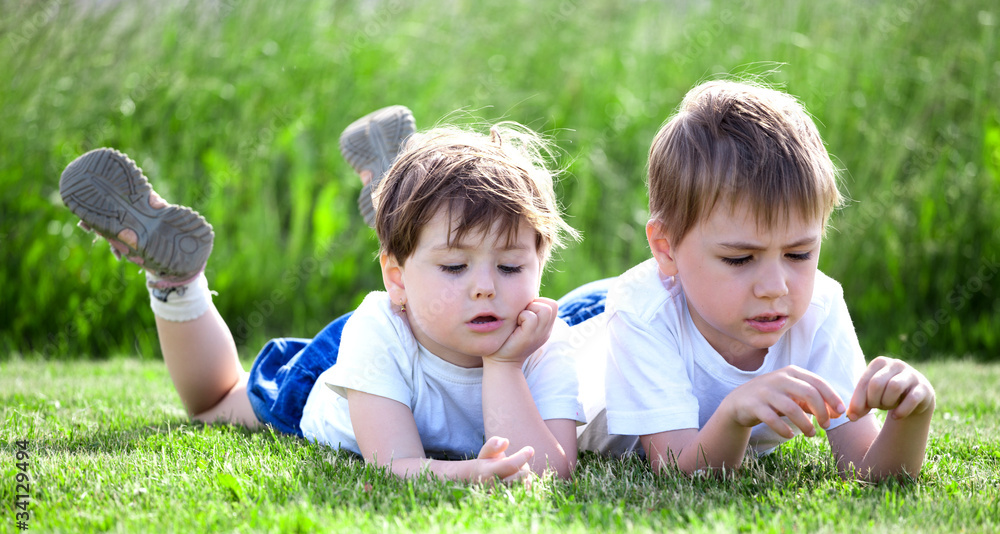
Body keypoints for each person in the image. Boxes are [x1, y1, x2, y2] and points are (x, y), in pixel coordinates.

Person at [59, 106, 584, 483]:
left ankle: (407, 196)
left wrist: (504, 365)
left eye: (512, 264)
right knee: (214, 402)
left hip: (413, 317)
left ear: (541, 262)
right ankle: (177, 284)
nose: (487, 287)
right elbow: (394, 464)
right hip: (345, 369)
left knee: (432, 227)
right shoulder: (377, 330)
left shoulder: (545, 339)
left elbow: (550, 470)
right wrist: (469, 473)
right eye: (454, 265)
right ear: (395, 278)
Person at [582, 79, 936, 480]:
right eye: (740, 258)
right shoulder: (641, 312)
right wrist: (735, 412)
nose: (775, 287)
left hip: (676, 291)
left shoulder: (818, 307)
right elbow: (677, 472)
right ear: (666, 248)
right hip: (588, 324)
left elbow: (868, 469)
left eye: (798, 254)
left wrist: (912, 416)